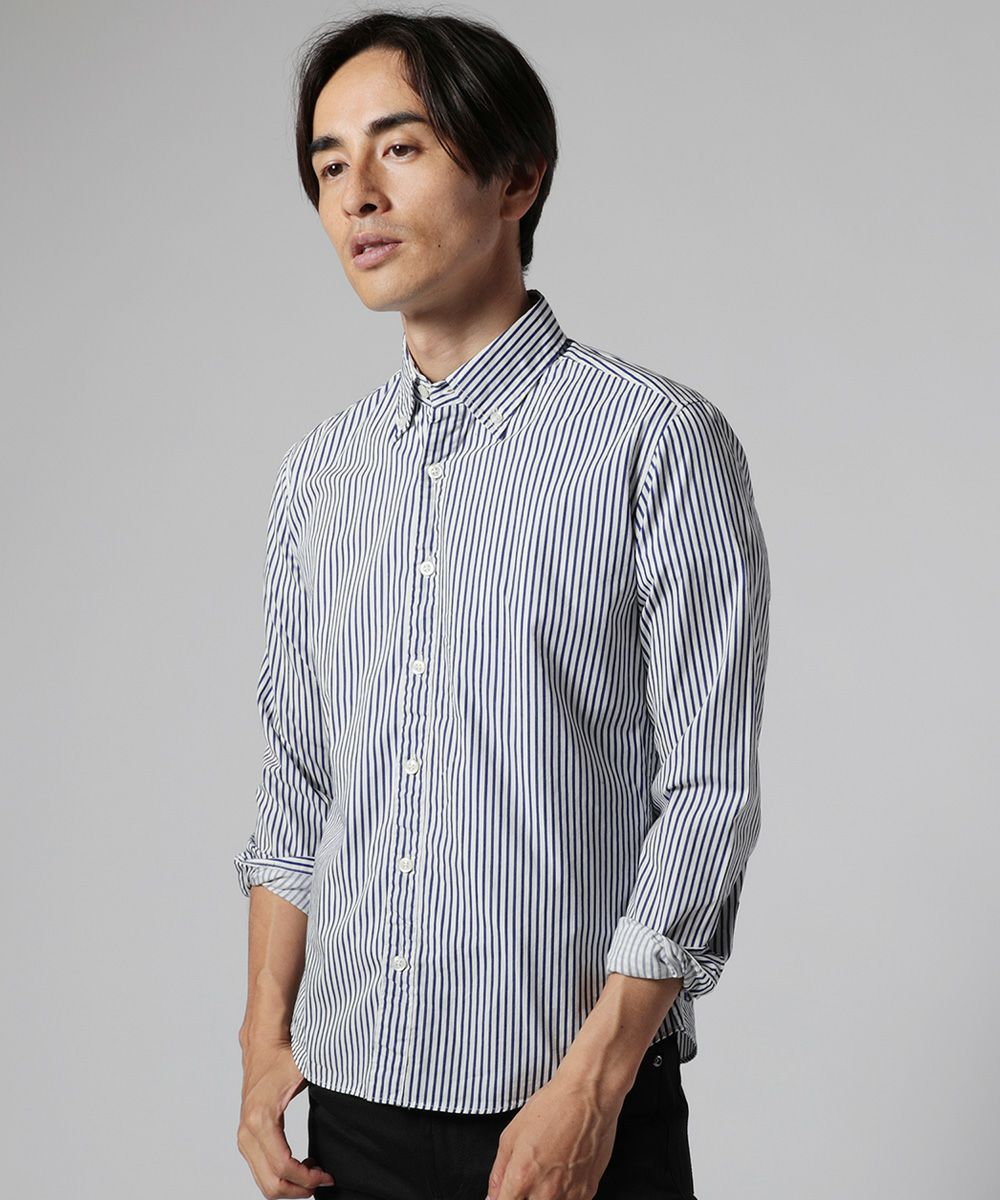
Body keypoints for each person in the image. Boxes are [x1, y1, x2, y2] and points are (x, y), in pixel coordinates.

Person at [234, 10, 770, 1200]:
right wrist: (263, 1040)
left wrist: (595, 1086)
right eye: (329, 164)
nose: (357, 195)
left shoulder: (654, 443)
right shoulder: (319, 474)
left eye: (400, 147)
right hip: (349, 1116)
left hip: (566, 1112)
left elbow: (707, 794)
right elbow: (297, 782)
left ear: (518, 175)